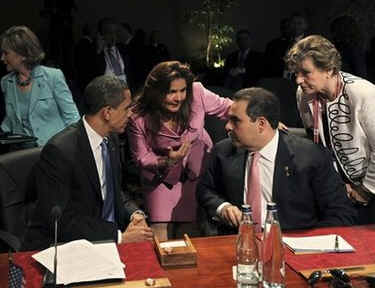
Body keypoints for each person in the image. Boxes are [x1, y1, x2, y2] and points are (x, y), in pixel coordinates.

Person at [197, 87, 357, 235]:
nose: (227, 126)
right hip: (239, 243)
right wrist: (222, 207)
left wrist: (308, 245)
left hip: (295, 246)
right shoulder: (223, 151)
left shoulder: (311, 156)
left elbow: (340, 213)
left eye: (235, 120)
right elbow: (205, 190)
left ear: (261, 124)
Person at [22, 75, 153, 251]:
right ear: (107, 112)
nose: (131, 114)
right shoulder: (60, 151)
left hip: (105, 239)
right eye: (126, 108)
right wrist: (119, 237)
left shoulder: (111, 140)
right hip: (69, 247)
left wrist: (134, 214)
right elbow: (61, 221)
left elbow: (113, 190)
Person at [127, 61, 232, 241]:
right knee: (160, 237)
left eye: (182, 90)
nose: (179, 97)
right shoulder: (137, 116)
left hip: (196, 171)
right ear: (155, 92)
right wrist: (167, 161)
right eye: (171, 92)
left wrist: (263, 119)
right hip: (161, 177)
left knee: (190, 235)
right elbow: (141, 157)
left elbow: (228, 107)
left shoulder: (197, 93)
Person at [285, 34, 375, 224]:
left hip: (368, 190)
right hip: (337, 189)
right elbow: (314, 140)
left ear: (329, 69)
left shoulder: (364, 93)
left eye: (305, 72)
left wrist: (365, 190)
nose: (298, 80)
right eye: (296, 73)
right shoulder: (304, 93)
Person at [0, 25, 80, 147]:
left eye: (6, 53)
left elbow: (72, 118)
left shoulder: (53, 76)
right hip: (22, 155)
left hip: (54, 150)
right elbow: (10, 120)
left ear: (22, 54)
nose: (2, 58)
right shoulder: (6, 82)